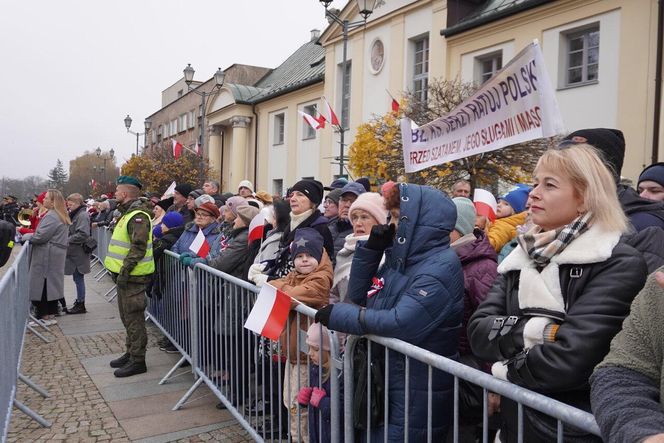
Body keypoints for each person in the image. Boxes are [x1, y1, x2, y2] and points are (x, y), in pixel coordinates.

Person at [467, 144, 648, 442]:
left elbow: (571, 361)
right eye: (536, 182)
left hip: (569, 430)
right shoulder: (520, 257)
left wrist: (503, 368)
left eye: (549, 185)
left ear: (585, 198)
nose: (533, 192)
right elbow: (477, 332)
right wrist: (544, 331)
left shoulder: (616, 261)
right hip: (515, 424)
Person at [316, 183, 464, 441]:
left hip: (414, 390)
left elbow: (400, 322)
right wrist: (372, 250)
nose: (392, 225)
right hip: (388, 380)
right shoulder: (401, 261)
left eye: (397, 217)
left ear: (419, 223)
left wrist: (339, 315)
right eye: (391, 217)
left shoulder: (440, 267)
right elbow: (361, 295)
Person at [271, 228, 333, 442]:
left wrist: (281, 290)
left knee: (300, 405)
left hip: (309, 355)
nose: (304, 261)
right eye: (299, 257)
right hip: (294, 352)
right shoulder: (295, 276)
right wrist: (281, 287)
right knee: (290, 401)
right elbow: (274, 284)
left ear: (319, 256)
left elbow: (288, 294)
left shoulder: (321, 278)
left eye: (309, 256)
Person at [590, 269, 664, 442]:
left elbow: (572, 353)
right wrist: (644, 434)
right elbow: (622, 372)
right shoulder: (658, 286)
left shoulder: (620, 262)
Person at [561, 128, 664, 231]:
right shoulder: (562, 214)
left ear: (605, 169)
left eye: (574, 165)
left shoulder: (641, 224)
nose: (560, 172)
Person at [105, 176, 155, 378]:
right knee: (127, 318)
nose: (115, 194)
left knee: (134, 319)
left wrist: (125, 272)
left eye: (117, 191)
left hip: (133, 277)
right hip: (125, 276)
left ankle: (138, 360)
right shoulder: (128, 214)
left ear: (125, 194)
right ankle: (131, 352)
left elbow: (138, 247)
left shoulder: (137, 216)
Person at [253, 179, 334, 282]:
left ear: (313, 202)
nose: (292, 199)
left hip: (299, 294)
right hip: (283, 287)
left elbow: (311, 273)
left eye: (300, 195)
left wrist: (270, 280)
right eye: (292, 195)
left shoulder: (319, 228)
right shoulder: (291, 225)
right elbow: (284, 257)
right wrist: (268, 265)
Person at [329, 192, 387, 304]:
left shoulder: (385, 255)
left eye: (364, 217)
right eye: (354, 217)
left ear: (379, 221)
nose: (358, 223)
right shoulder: (345, 251)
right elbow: (334, 294)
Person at [25, 189, 71, 325]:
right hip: (53, 254)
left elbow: (40, 236)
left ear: (52, 201)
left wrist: (26, 236)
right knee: (50, 286)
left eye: (46, 198)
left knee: (43, 286)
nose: (43, 200)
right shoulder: (58, 214)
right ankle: (49, 314)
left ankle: (44, 316)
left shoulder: (52, 216)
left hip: (47, 256)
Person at [297, 323, 342, 443]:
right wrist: (306, 399)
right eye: (309, 348)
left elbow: (345, 410)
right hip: (317, 432)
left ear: (329, 350)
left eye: (316, 349)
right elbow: (315, 399)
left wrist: (322, 402)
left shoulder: (339, 375)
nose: (310, 353)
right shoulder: (315, 367)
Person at [65, 193, 91, 314]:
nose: (69, 207)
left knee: (78, 278)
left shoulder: (82, 215)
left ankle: (81, 303)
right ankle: (80, 302)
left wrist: (67, 240)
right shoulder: (77, 214)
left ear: (77, 204)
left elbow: (83, 234)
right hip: (74, 252)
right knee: (77, 278)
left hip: (79, 252)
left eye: (71, 205)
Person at [487, 184, 530, 252]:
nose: (499, 205)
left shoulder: (503, 226)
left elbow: (490, 245)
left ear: (515, 211)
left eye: (506, 204)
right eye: (499, 202)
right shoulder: (505, 222)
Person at [330, 182, 365, 258]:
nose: (347, 205)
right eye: (344, 200)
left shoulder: (363, 232)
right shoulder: (328, 226)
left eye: (353, 201)